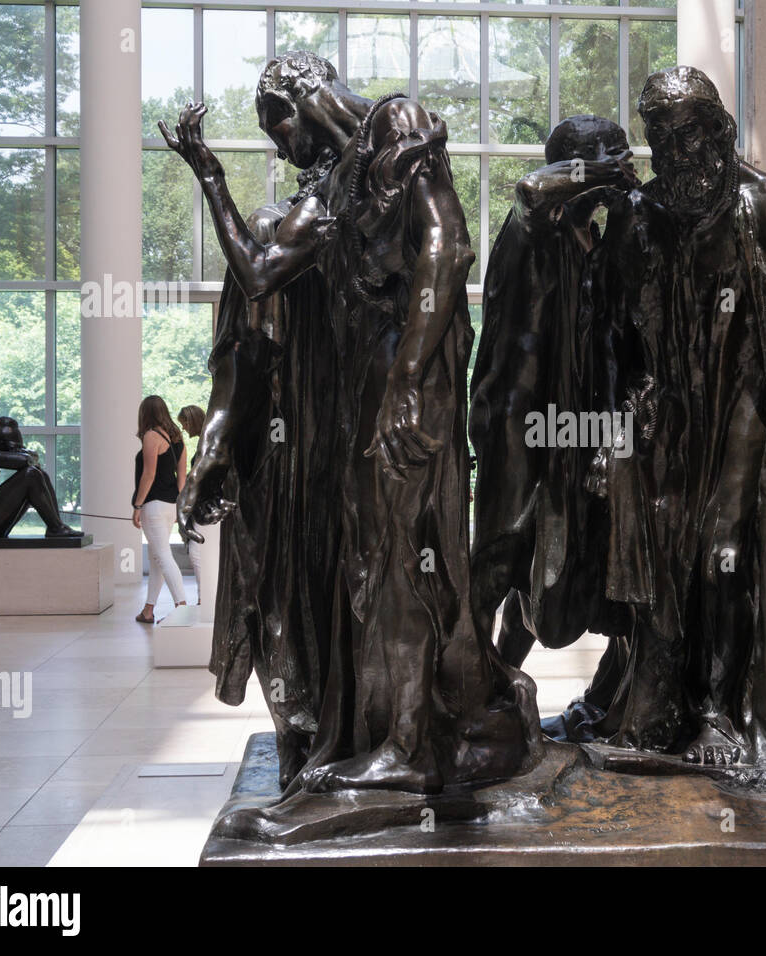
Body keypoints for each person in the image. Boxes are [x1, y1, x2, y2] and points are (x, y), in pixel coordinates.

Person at [163, 50, 537, 804]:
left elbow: (447, 246)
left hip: (411, 379)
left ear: (298, 100)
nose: (277, 147)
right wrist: (208, 176)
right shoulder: (335, 181)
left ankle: (409, 746)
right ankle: (395, 728)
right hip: (372, 386)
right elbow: (261, 271)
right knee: (375, 555)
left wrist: (406, 382)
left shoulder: (398, 122)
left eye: (276, 129)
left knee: (399, 554)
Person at [589, 67, 766, 766]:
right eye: (660, 138)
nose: (675, 153)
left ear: (719, 132)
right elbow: (612, 339)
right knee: (656, 559)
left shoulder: (760, 204)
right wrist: (612, 426)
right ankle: (657, 704)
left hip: (742, 405)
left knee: (724, 555)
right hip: (662, 414)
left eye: (687, 135)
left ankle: (719, 708)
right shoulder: (639, 217)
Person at [469, 115, 638, 741]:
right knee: (501, 551)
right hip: (517, 422)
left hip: (567, 427)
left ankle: (497, 681)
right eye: (608, 163)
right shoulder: (533, 224)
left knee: (549, 560)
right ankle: (462, 688)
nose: (623, 175)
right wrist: (606, 174)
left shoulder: (587, 240)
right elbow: (533, 189)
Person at [132, 395, 188, 624]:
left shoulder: (151, 436)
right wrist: (179, 508)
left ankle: (182, 608)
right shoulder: (178, 439)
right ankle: (148, 610)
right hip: (171, 505)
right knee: (157, 558)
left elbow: (149, 474)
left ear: (145, 414)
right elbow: (181, 478)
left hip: (153, 505)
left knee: (163, 557)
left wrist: (137, 504)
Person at [177, 404, 206, 601]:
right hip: (201, 507)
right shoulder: (204, 442)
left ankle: (204, 598)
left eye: (184, 423)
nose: (184, 428)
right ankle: (203, 598)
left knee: (197, 555)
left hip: (203, 508)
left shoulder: (205, 444)